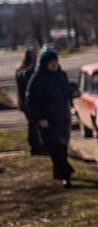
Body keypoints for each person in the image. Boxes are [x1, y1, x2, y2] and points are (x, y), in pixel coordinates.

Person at [26, 47, 75, 187]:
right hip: (47, 119)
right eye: (51, 62)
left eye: (56, 61)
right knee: (55, 147)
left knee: (63, 146)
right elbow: (31, 100)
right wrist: (39, 118)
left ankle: (60, 173)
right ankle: (65, 175)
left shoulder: (61, 75)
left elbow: (66, 91)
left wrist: (73, 92)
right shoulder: (37, 78)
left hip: (63, 117)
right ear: (45, 63)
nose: (54, 64)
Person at [15, 47, 43, 155]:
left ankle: (37, 146)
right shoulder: (24, 71)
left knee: (33, 125)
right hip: (27, 103)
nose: (36, 59)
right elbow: (26, 78)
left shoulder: (22, 69)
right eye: (34, 56)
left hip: (25, 102)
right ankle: (35, 147)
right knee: (33, 125)